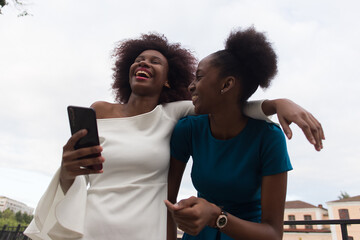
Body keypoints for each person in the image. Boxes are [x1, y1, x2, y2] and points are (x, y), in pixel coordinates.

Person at [25, 33, 323, 240]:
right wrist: (66, 168)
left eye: (155, 61)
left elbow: (233, 106)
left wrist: (278, 103)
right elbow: (79, 176)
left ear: (168, 79)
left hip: (149, 229)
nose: (144, 63)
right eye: (139, 59)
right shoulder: (102, 111)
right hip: (92, 224)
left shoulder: (175, 114)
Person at [165, 27, 305, 240]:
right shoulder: (189, 129)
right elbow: (167, 199)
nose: (191, 86)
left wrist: (215, 216)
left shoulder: (269, 138)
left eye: (199, 77)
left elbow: (274, 234)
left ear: (227, 84)